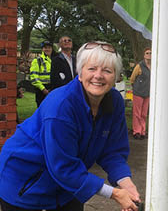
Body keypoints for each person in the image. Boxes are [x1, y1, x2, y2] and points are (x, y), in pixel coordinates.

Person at [0, 41, 141, 210]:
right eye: (91, 68)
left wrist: (126, 183)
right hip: (25, 183)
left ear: (116, 76)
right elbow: (63, 166)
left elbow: (113, 151)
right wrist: (115, 193)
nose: (98, 75)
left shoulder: (115, 101)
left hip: (67, 186)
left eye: (107, 70)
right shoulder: (60, 106)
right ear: (80, 73)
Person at [129, 47, 151, 140]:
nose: (149, 55)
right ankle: (136, 131)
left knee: (144, 114)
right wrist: (136, 88)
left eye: (150, 53)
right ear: (144, 55)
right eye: (147, 53)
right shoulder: (139, 66)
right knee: (137, 113)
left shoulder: (154, 66)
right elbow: (132, 79)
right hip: (138, 92)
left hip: (147, 93)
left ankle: (143, 131)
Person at [30, 40, 53, 107]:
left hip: (51, 88)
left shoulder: (52, 60)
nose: (47, 49)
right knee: (41, 110)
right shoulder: (37, 60)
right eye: (45, 47)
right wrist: (43, 89)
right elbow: (34, 77)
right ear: (42, 49)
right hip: (41, 90)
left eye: (49, 47)